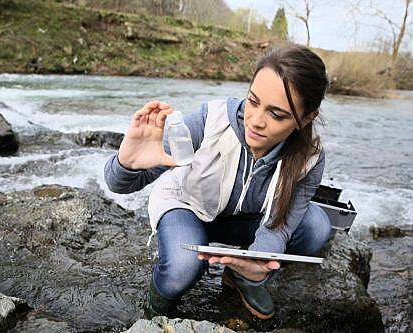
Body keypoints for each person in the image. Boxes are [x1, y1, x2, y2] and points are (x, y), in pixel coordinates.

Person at [104, 44, 332, 319]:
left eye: (276, 114)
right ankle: (155, 310)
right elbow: (119, 185)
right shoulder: (210, 119)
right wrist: (127, 162)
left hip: (247, 223)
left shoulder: (311, 158)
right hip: (189, 210)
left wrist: (258, 265)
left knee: (317, 226)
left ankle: (240, 278)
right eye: (253, 101)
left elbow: (278, 226)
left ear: (307, 118)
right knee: (182, 269)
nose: (256, 121)